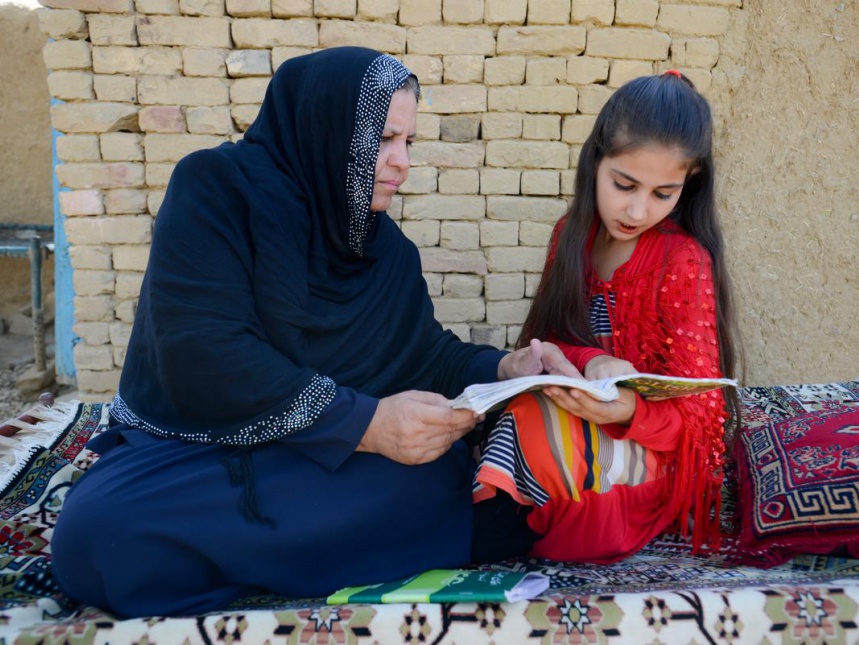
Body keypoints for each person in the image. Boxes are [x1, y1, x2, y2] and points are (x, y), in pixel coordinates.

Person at [50, 47, 578, 618]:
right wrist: (367, 425)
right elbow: (201, 351)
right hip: (203, 449)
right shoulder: (216, 189)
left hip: (314, 463)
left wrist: (504, 368)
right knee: (95, 538)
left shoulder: (384, 251)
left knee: (431, 475)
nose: (402, 162)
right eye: (382, 139)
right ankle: (336, 545)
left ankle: (253, 552)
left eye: (409, 143)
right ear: (327, 131)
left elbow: (426, 354)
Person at [472, 71, 740, 564]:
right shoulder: (569, 236)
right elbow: (549, 339)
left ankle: (493, 541)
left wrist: (626, 412)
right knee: (522, 418)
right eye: (624, 184)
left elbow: (701, 420)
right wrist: (585, 360)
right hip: (567, 421)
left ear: (690, 184)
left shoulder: (682, 260)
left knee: (561, 469)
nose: (638, 209)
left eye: (664, 193)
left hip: (644, 450)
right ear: (596, 161)